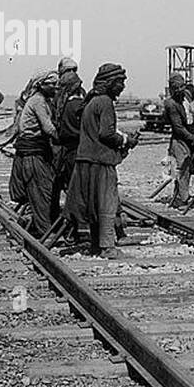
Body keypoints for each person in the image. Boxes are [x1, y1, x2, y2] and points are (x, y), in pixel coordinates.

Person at [66, 63, 140, 258]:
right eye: (120, 82)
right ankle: (107, 246)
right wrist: (126, 140)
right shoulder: (105, 102)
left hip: (86, 160)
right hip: (101, 161)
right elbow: (106, 134)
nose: (123, 86)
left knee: (93, 204)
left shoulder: (92, 101)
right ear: (110, 83)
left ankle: (96, 246)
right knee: (107, 203)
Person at [7, 70, 60, 235]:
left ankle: (42, 227)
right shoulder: (37, 101)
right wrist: (65, 137)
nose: (55, 87)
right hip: (33, 152)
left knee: (41, 192)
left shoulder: (41, 100)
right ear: (41, 85)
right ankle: (45, 231)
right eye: (51, 84)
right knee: (41, 192)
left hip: (32, 150)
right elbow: (48, 127)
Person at [50, 68, 86, 226]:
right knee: (79, 191)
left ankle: (65, 223)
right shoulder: (79, 106)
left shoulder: (63, 105)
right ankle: (79, 227)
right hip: (79, 151)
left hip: (66, 152)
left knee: (68, 189)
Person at [163, 73, 194, 208]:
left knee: (190, 167)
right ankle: (181, 199)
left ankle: (183, 195)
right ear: (171, 89)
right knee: (181, 168)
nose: (179, 90)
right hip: (180, 140)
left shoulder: (187, 96)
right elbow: (178, 127)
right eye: (175, 88)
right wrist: (192, 138)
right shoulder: (171, 104)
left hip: (191, 134)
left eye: (181, 86)